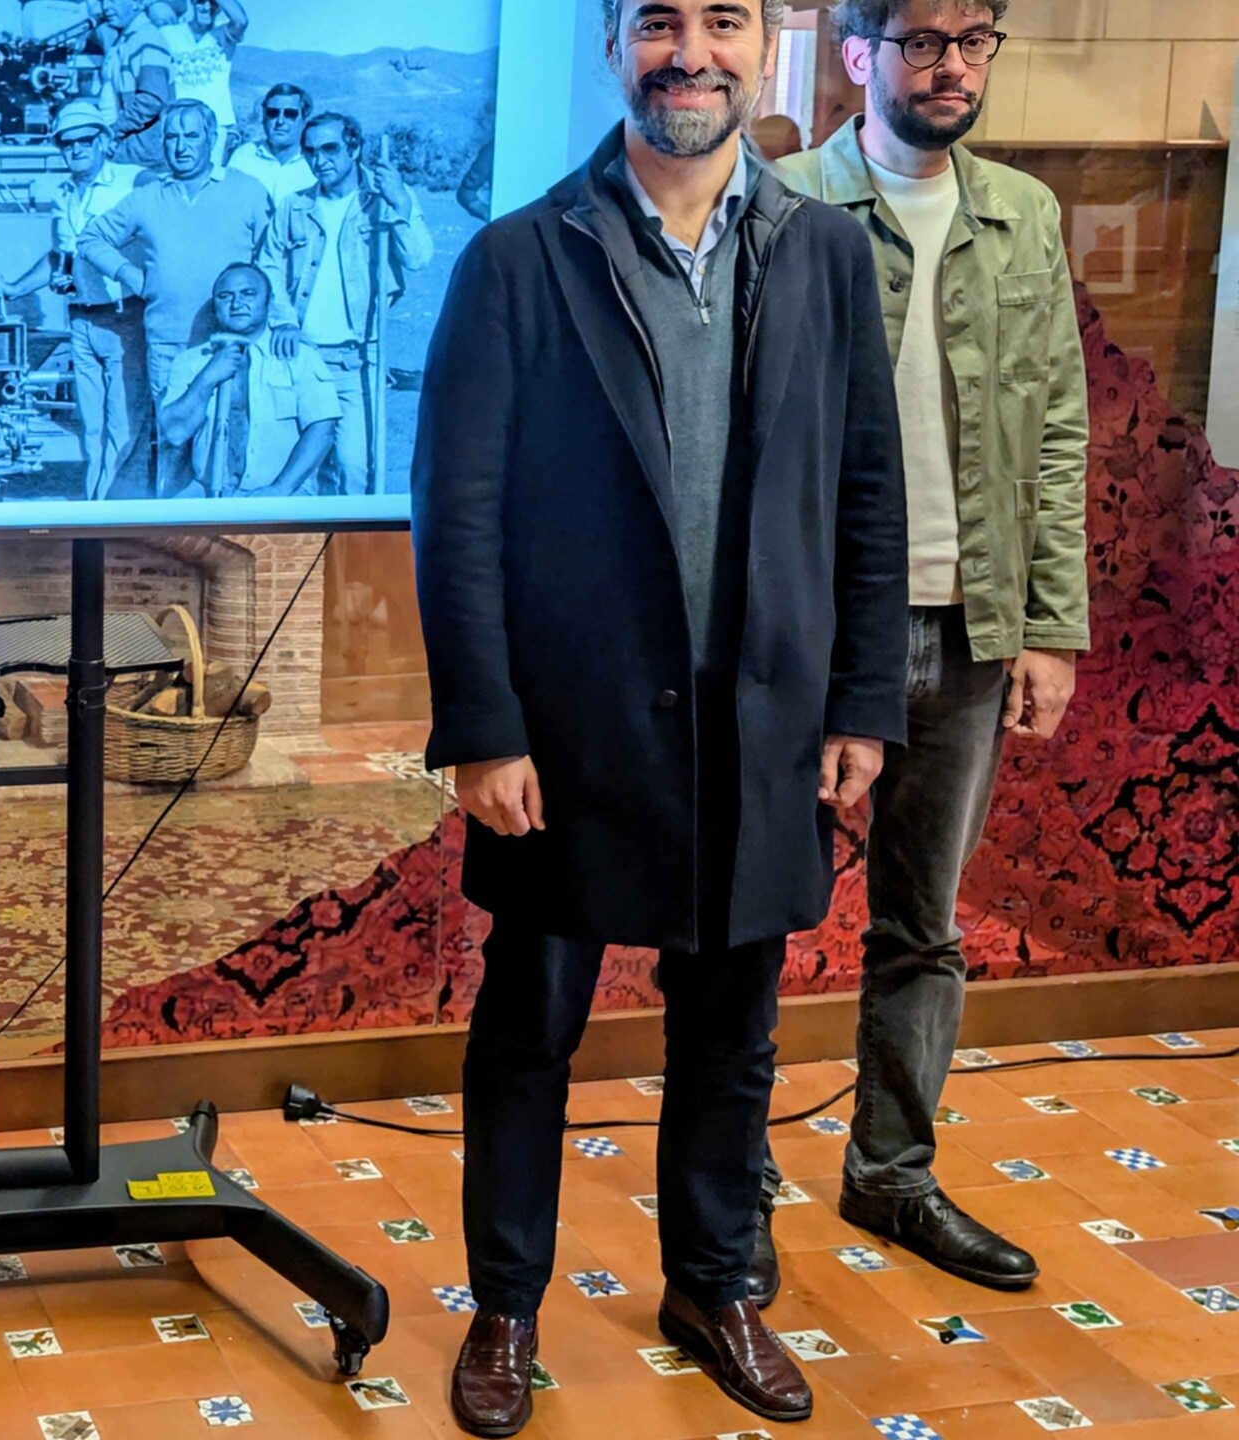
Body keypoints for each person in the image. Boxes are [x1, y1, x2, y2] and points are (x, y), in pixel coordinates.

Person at [412, 0, 908, 1433]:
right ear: (611, 46)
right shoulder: (519, 260)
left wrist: (860, 697)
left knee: (732, 1037)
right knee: (530, 1032)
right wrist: (483, 725)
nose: (690, 51)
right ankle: (507, 1307)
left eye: (723, 21)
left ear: (767, 45)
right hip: (565, 735)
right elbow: (459, 510)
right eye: (657, 22)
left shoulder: (823, 254)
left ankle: (714, 1286)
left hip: (760, 723)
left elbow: (866, 489)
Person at [753, 0, 1087, 1309]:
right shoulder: (785, 204)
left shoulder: (1023, 214)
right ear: (858, 57)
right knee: (751, 918)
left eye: (974, 39)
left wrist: (1049, 625)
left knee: (922, 928)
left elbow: (1056, 430)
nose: (952, 65)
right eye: (922, 41)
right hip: (806, 630)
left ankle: (891, 1174)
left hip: (968, 625)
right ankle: (726, 1191)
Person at [77, 98, 272, 490]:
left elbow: (272, 262)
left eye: (192, 136)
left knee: (236, 445)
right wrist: (132, 276)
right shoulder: (147, 198)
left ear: (211, 138)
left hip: (234, 346)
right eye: (172, 137)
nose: (181, 146)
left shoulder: (248, 191)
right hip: (169, 346)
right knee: (173, 449)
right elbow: (90, 238)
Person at [258, 111, 432, 495]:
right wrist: (284, 320)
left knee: (358, 469)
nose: (320, 160)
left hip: (359, 358)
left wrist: (400, 203)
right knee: (301, 470)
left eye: (330, 149)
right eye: (311, 151)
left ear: (354, 149)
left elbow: (419, 258)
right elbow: (268, 266)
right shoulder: (294, 206)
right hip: (302, 356)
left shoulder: (385, 199)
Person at [158, 263, 339, 496]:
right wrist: (206, 379)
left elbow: (322, 430)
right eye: (225, 296)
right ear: (215, 306)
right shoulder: (190, 362)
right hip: (208, 494)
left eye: (248, 293)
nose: (236, 304)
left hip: (286, 493)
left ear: (269, 301)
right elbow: (174, 433)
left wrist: (279, 489)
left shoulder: (299, 357)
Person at [48, 98, 152, 500]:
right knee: (91, 429)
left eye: (85, 140)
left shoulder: (134, 180)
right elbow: (61, 253)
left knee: (123, 426)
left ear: (104, 141)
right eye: (67, 143)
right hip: (80, 319)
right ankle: (94, 506)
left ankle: (117, 511)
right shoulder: (62, 194)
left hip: (124, 319)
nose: (76, 149)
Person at [92, 0, 173, 170]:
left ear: (137, 3)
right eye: (102, 1)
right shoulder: (125, 40)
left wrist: (114, 131)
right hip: (126, 152)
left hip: (145, 157)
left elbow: (152, 99)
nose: (106, 7)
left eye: (113, 0)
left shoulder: (148, 38)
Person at [153, 0, 245, 150]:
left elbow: (241, 21)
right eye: (201, 1)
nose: (207, 7)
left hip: (218, 123)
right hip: (179, 124)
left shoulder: (224, 33)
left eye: (214, 3)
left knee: (213, 166)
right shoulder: (168, 34)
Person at [226, 83, 314, 202]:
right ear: (264, 118)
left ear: (304, 121)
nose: (280, 121)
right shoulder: (243, 157)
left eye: (290, 114)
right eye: (273, 113)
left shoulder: (314, 163)